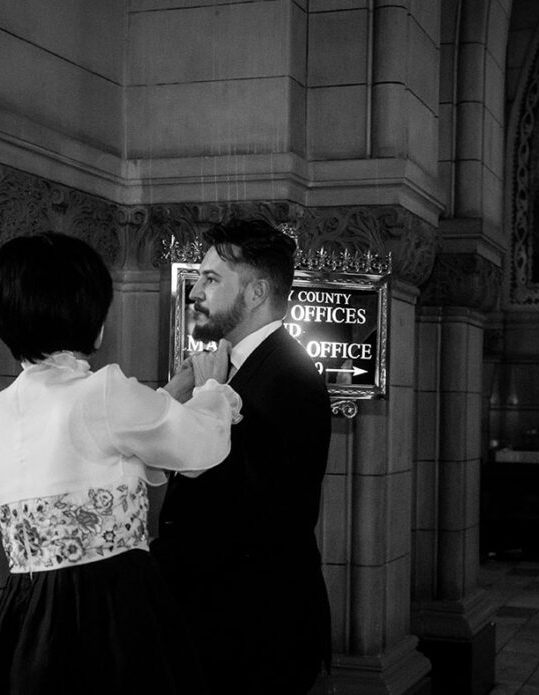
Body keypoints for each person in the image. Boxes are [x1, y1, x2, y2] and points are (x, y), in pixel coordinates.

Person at [0, 232, 242, 695]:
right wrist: (212, 389)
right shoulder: (104, 392)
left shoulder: (0, 410)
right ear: (88, 316)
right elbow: (200, 448)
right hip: (108, 607)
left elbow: (96, 452)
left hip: (26, 615)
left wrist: (168, 397)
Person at [152, 219, 333, 694]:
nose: (195, 293)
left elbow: (270, 513)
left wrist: (209, 397)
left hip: (255, 632)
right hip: (218, 623)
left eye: (211, 280)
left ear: (255, 293)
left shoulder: (290, 376)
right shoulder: (237, 366)